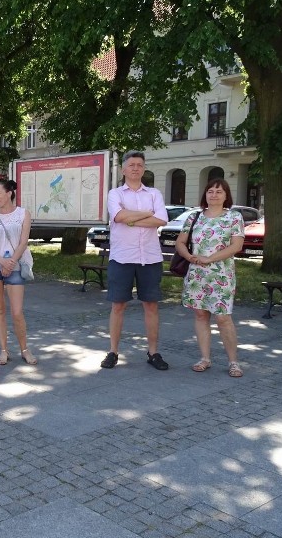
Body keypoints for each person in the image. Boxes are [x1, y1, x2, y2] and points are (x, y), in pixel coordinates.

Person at [100, 150, 170, 370]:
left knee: (151, 305)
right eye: (132, 165)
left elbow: (162, 220)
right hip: (122, 257)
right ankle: (113, 351)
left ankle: (153, 352)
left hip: (149, 258)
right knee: (118, 305)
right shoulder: (115, 194)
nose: (136, 168)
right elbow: (118, 217)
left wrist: (131, 218)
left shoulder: (154, 193)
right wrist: (146, 214)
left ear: (144, 168)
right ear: (123, 169)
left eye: (140, 164)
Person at [174, 178, 245, 377]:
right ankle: (205, 358)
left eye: (219, 191)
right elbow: (180, 242)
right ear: (205, 194)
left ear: (226, 196)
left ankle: (233, 362)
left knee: (223, 318)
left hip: (221, 273)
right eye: (210, 191)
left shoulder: (234, 217)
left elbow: (236, 246)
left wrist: (210, 258)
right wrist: (190, 257)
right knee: (200, 315)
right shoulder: (194, 217)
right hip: (197, 274)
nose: (214, 195)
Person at [0, 179, 37, 365]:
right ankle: (3, 350)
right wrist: (1, 261)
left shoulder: (23, 214)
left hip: (15, 266)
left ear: (9, 193)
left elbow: (23, 242)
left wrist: (11, 262)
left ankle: (24, 349)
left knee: (17, 311)